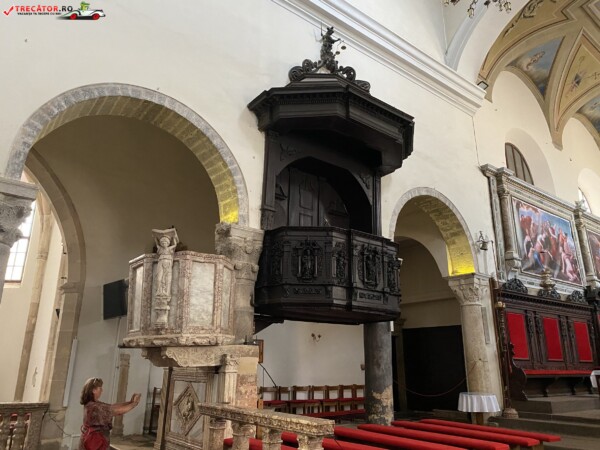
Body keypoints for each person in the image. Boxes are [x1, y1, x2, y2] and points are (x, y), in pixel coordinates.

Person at [79, 377, 141, 450]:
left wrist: (130, 402)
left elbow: (112, 406)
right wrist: (134, 404)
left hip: (94, 439)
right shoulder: (95, 407)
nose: (102, 390)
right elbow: (117, 411)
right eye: (100, 388)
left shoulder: (93, 403)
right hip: (93, 441)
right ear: (94, 390)